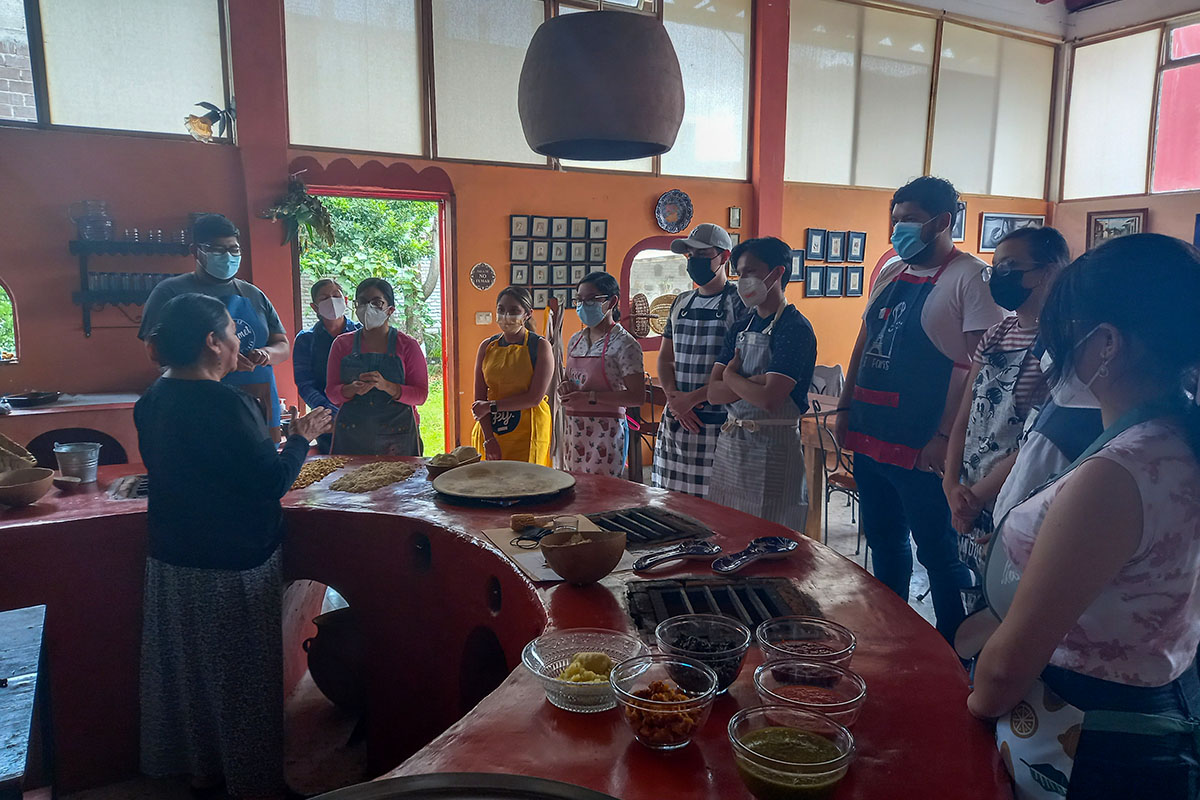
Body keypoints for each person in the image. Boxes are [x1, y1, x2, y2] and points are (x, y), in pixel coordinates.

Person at [969, 234, 1200, 797]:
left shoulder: (1117, 475)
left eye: (1061, 333)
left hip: (1088, 738)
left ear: (1106, 345)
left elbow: (1007, 668)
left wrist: (972, 702)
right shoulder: (1174, 435)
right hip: (1149, 705)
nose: (1051, 353)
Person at [136, 293, 330, 800]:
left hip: (173, 558)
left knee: (193, 675)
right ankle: (254, 786)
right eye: (230, 332)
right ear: (212, 342)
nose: (237, 343)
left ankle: (203, 773)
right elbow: (270, 481)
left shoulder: (152, 400)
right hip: (233, 564)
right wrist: (301, 438)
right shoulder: (229, 405)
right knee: (245, 682)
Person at [834, 176, 1005, 642]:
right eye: (895, 221)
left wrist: (946, 437)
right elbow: (864, 342)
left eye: (908, 220)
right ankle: (894, 632)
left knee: (938, 551)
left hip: (923, 442)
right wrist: (846, 407)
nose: (898, 230)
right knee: (885, 543)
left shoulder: (970, 277)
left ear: (942, 221)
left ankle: (952, 643)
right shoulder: (892, 272)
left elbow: (979, 369)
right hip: (872, 433)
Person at [942, 226, 1070, 614]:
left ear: (1050, 271)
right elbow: (965, 415)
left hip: (1019, 494)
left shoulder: (1063, 343)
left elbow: (1038, 436)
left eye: (1012, 266)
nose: (1001, 276)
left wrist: (978, 493)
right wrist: (952, 484)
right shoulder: (997, 334)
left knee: (1010, 601)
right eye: (996, 267)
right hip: (970, 492)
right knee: (978, 599)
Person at [140, 214, 290, 439]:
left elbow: (282, 344)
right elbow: (157, 352)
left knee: (262, 463)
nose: (228, 256)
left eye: (234, 249)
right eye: (218, 250)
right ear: (195, 251)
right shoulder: (170, 293)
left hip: (257, 401)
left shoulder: (253, 294)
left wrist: (266, 354)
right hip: (197, 403)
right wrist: (218, 364)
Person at [707, 237, 817, 529]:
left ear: (777, 273)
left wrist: (731, 376)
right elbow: (713, 393)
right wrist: (750, 384)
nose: (743, 280)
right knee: (727, 530)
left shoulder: (795, 328)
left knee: (768, 534)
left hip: (774, 449)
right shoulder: (741, 325)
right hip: (732, 447)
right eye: (739, 273)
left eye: (750, 272)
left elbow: (770, 399)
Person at [652, 223, 746, 497]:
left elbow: (742, 368)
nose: (693, 261)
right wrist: (674, 399)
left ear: (724, 257)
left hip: (717, 423)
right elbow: (666, 358)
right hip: (678, 421)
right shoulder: (680, 302)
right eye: (690, 256)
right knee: (670, 505)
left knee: (715, 508)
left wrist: (692, 399)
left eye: (702, 255)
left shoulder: (739, 304)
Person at [326, 277, 428, 456]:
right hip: (352, 433)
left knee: (400, 483)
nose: (368, 308)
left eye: (377, 302)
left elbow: (420, 395)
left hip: (398, 435)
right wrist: (351, 389)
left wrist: (387, 386)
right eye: (362, 302)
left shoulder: (407, 346)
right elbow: (332, 393)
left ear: (390, 310)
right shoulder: (341, 344)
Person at [559, 271, 645, 476]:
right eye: (579, 300)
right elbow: (568, 380)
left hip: (606, 432)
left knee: (603, 496)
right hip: (573, 429)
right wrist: (565, 387)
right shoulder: (575, 341)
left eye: (591, 300)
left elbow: (636, 396)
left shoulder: (625, 344)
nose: (583, 305)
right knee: (575, 491)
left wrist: (590, 397)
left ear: (612, 301)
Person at [470, 287, 553, 464]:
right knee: (488, 484)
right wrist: (488, 439)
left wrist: (490, 406)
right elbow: (479, 401)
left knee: (526, 485)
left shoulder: (539, 346)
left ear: (527, 314)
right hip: (491, 431)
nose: (506, 316)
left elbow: (534, 398)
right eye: (501, 310)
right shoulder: (487, 347)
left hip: (529, 432)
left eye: (514, 311)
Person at [293, 278, 361, 454]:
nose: (331, 301)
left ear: (345, 301)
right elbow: (305, 384)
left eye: (336, 295)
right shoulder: (306, 340)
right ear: (315, 307)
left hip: (363, 416)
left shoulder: (362, 334)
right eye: (324, 298)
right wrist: (329, 410)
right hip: (327, 421)